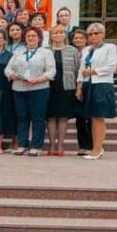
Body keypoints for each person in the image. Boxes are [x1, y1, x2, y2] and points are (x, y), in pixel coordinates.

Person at [5, 27, 55, 156]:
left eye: (34, 36)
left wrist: (38, 80)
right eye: (28, 36)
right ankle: (22, 145)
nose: (31, 38)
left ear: (39, 38)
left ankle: (36, 146)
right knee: (22, 117)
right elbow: (7, 69)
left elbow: (51, 71)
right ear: (25, 38)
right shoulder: (19, 52)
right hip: (19, 88)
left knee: (37, 118)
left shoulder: (46, 53)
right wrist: (12, 75)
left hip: (39, 89)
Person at [79, 23, 117, 160]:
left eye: (96, 33)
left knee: (98, 117)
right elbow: (81, 69)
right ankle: (97, 147)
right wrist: (79, 86)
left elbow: (111, 66)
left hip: (102, 84)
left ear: (103, 34)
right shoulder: (86, 50)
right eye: (90, 34)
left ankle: (97, 149)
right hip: (88, 84)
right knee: (91, 117)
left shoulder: (110, 48)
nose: (93, 36)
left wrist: (93, 71)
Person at [46, 25, 80, 156]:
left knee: (63, 117)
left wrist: (78, 87)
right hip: (48, 87)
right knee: (50, 117)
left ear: (65, 35)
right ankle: (51, 145)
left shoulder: (72, 50)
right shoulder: (45, 50)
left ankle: (60, 146)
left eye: (61, 32)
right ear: (51, 36)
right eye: (55, 33)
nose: (58, 35)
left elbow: (78, 69)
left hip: (67, 87)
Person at [70, 29, 93, 156]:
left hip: (88, 85)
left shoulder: (90, 51)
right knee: (79, 118)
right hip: (72, 86)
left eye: (81, 38)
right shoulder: (71, 51)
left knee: (89, 117)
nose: (78, 40)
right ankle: (82, 146)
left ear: (86, 40)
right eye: (76, 38)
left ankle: (91, 145)